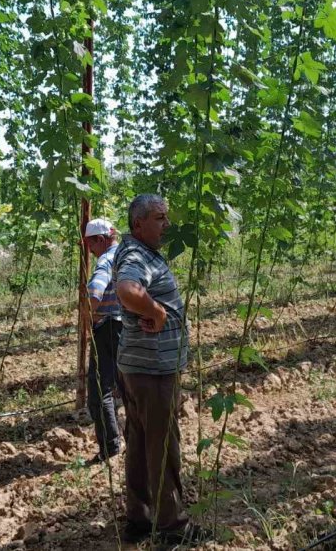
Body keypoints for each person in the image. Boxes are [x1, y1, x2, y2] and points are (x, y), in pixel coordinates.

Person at [112, 194, 207, 544]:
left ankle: (140, 518)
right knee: (163, 445)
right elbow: (127, 289)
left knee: (139, 443)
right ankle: (172, 528)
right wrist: (157, 311)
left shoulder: (140, 251)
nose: (167, 225)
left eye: (167, 217)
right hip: (152, 371)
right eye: (159, 218)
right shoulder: (137, 254)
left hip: (138, 367)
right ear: (138, 224)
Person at [83, 217, 123, 462]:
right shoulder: (126, 256)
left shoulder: (106, 261)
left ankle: (110, 447)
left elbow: (96, 291)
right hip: (126, 327)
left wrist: (90, 314)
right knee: (127, 386)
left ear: (100, 239)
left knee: (100, 391)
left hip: (107, 329)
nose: (90, 251)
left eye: (90, 245)